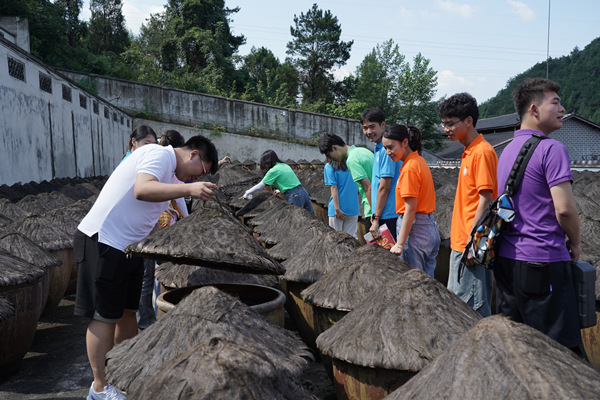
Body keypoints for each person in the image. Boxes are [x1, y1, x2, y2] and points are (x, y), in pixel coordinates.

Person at [74, 125, 219, 399]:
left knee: (129, 314)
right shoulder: (159, 155)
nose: (196, 178)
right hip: (103, 240)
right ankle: (99, 388)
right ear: (194, 154)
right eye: (199, 172)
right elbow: (142, 189)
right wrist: (190, 187)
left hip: (128, 248)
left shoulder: (170, 174)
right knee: (103, 316)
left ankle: (125, 373)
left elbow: (150, 212)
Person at [495, 78, 581, 350]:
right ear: (534, 110)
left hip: (507, 262)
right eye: (555, 103)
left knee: (516, 348)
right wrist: (576, 243)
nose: (562, 109)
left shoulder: (506, 151)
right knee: (556, 352)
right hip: (543, 262)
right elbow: (565, 209)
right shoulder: (552, 149)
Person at [437, 92, 498, 317]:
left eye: (451, 124)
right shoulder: (468, 152)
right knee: (458, 307)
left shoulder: (482, 152)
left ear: (468, 121)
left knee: (471, 311)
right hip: (461, 243)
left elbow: (486, 199)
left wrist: (474, 243)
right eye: (444, 124)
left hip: (470, 245)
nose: (446, 129)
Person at [137, 130, 188, 331]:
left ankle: (147, 318)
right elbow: (181, 201)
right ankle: (155, 316)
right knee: (158, 275)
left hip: (148, 226)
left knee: (147, 276)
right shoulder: (169, 169)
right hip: (160, 229)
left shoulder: (153, 163)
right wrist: (189, 222)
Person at [382, 124, 440, 277]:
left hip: (416, 231)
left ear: (405, 143)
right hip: (429, 228)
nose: (388, 152)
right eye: (385, 148)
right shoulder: (419, 161)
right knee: (428, 283)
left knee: (414, 284)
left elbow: (410, 210)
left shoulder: (409, 168)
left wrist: (400, 243)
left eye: (391, 147)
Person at [361, 108, 401, 240]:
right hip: (382, 214)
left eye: (372, 127)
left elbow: (384, 186)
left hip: (389, 215)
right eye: (365, 128)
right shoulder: (378, 149)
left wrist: (376, 217)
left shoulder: (385, 150)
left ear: (382, 125)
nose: (368, 132)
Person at [318, 133, 374, 226]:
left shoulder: (352, 160)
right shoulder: (364, 151)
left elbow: (368, 187)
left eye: (329, 154)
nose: (330, 158)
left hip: (371, 209)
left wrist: (375, 214)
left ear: (335, 148)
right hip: (362, 207)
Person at [242, 150, 314, 214]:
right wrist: (280, 189)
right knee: (310, 220)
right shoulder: (284, 165)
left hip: (295, 196)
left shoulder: (273, 170)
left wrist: (247, 192)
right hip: (303, 192)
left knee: (296, 221)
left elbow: (261, 185)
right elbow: (290, 181)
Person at [324, 156, 360, 238]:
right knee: (351, 239)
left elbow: (334, 187)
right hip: (353, 207)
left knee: (336, 240)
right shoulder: (352, 165)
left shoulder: (329, 166)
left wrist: (337, 209)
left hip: (337, 209)